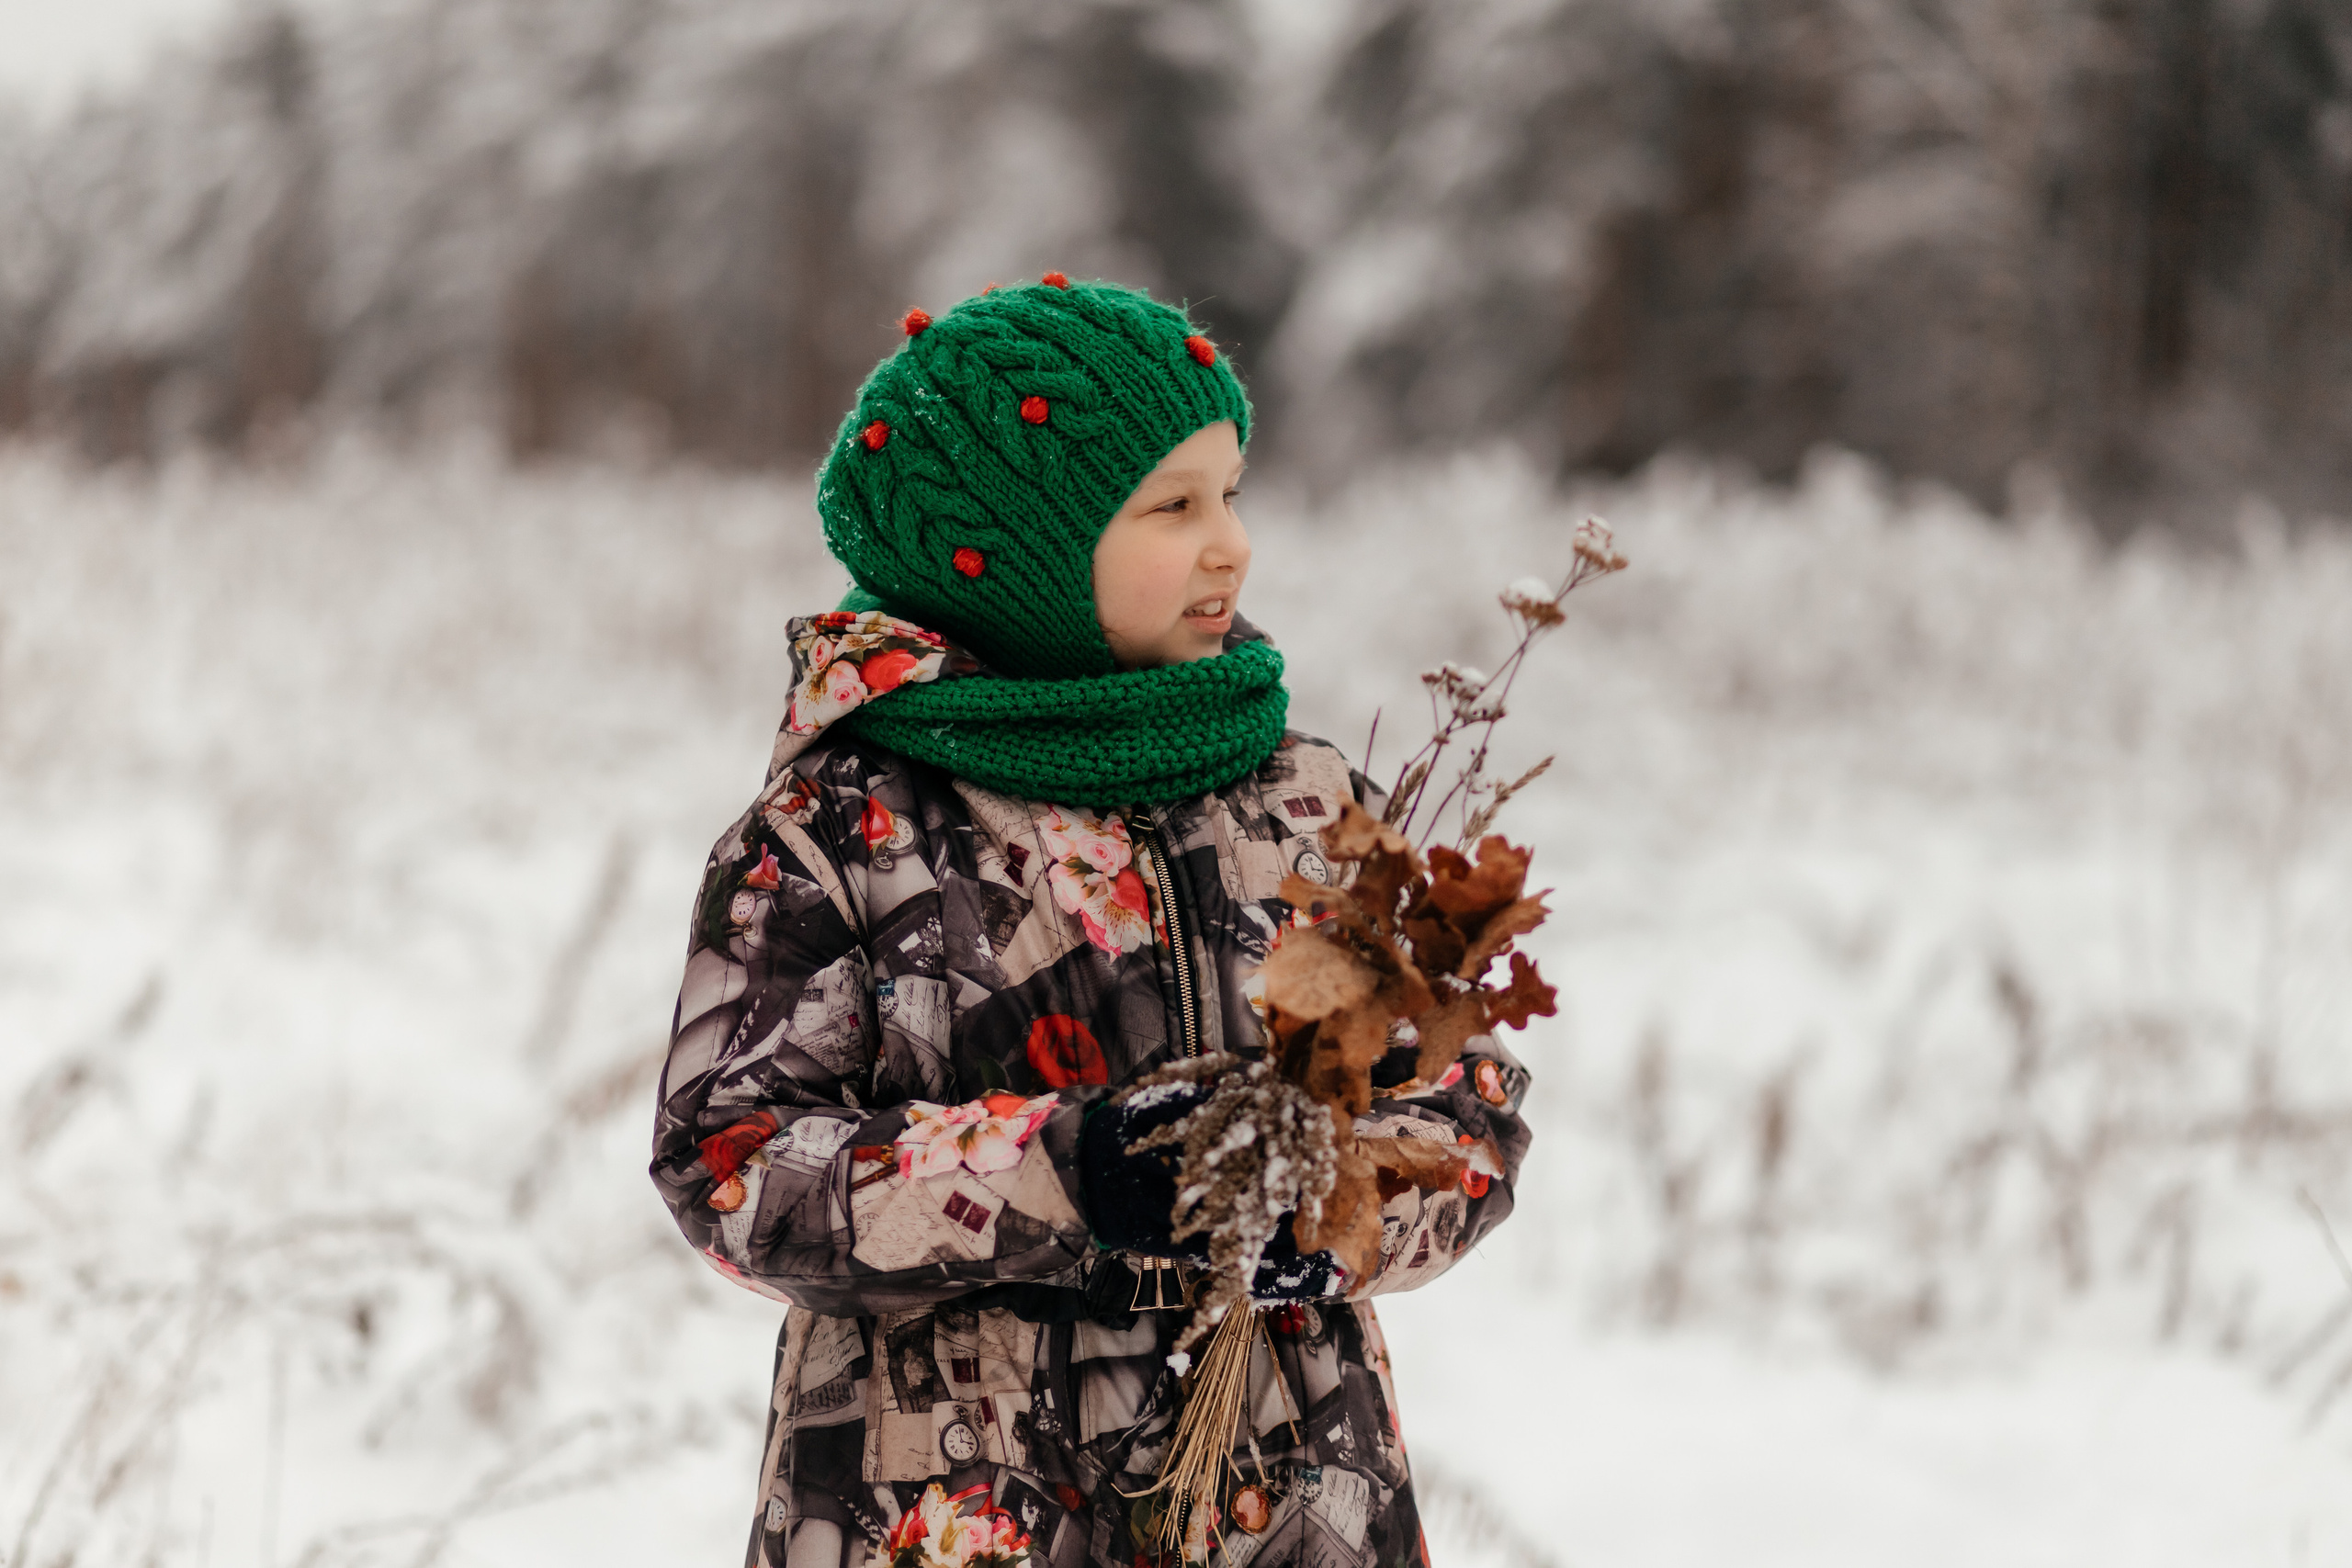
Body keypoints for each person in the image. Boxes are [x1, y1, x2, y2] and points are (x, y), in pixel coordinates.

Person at [650, 276, 1532, 1568]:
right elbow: (731, 1165)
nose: (1229, 542)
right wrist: (1071, 1168)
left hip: (1285, 1506)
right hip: (957, 1516)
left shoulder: (1306, 803)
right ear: (1022, 549)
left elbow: (1471, 1104)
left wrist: (1341, 1206)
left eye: (1231, 493)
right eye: (1172, 507)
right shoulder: (845, 829)